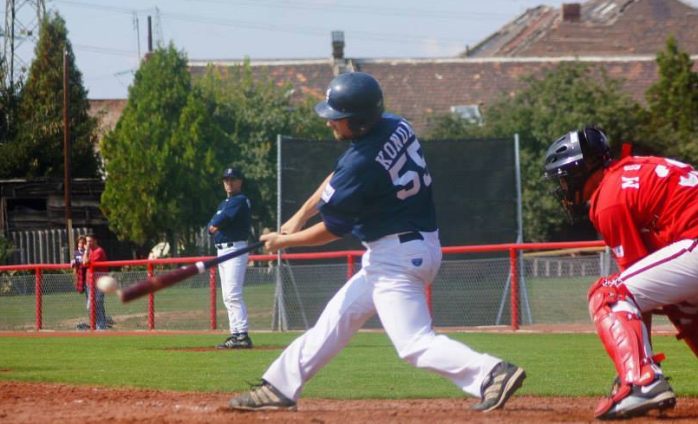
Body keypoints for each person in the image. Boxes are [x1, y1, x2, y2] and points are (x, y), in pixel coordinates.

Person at [229, 72, 526, 412]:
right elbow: (338, 179)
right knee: (336, 319)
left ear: (357, 122)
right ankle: (279, 387)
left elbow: (334, 228)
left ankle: (491, 373)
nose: (330, 124)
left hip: (397, 258)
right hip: (409, 248)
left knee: (413, 344)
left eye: (336, 118)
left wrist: (285, 243)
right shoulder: (395, 125)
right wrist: (299, 217)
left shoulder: (361, 163)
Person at [542, 126, 698, 419]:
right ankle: (644, 374)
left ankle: (642, 381)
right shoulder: (634, 171)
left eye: (564, 177)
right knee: (685, 307)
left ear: (581, 170)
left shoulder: (609, 197)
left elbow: (634, 293)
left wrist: (640, 366)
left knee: (608, 294)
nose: (563, 186)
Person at [208, 167, 253, 349]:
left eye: (233, 179)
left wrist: (215, 224)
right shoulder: (223, 203)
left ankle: (243, 334)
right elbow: (210, 225)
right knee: (227, 296)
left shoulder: (240, 200)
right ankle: (235, 334)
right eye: (226, 179)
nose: (229, 182)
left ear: (240, 181)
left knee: (233, 293)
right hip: (222, 251)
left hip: (235, 249)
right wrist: (214, 224)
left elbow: (218, 221)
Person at [83, 233, 109, 330]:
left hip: (99, 283)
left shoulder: (99, 251)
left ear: (95, 241)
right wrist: (86, 251)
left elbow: (86, 262)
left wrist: (86, 250)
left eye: (90, 241)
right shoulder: (89, 251)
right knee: (93, 305)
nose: (88, 243)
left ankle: (101, 326)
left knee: (95, 304)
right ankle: (98, 325)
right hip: (90, 283)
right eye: (87, 241)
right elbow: (83, 262)